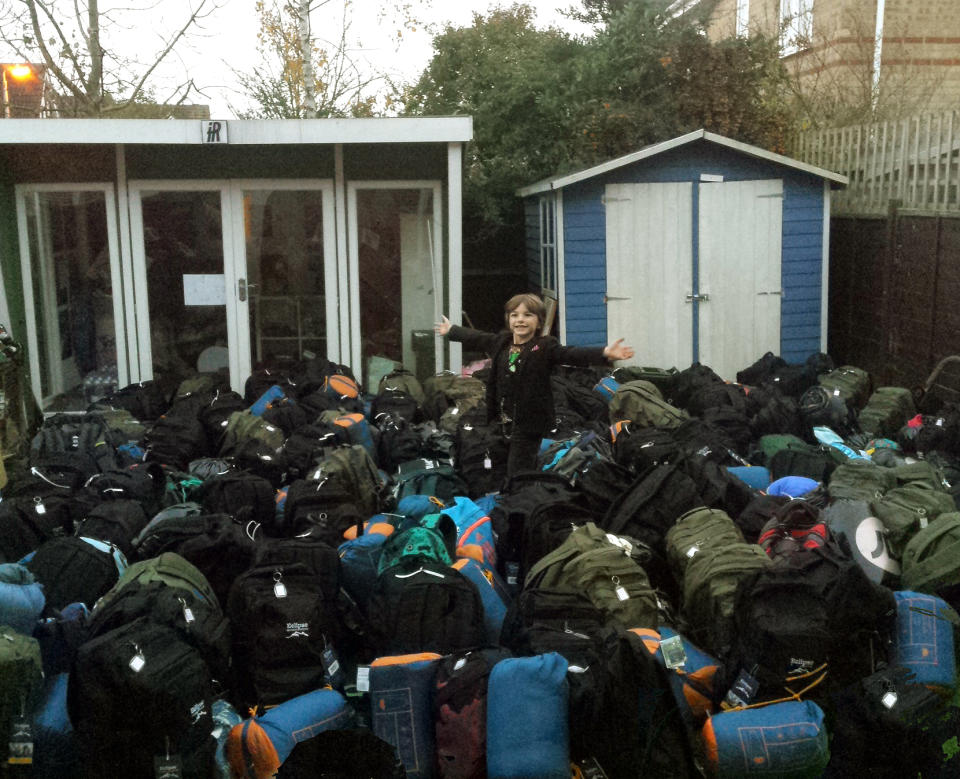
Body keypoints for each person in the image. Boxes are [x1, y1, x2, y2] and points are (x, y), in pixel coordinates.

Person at [434, 293, 635, 477]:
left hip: (529, 423)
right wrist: (451, 330)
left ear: (538, 321)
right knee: (502, 463)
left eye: (528, 315)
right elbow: (477, 338)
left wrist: (605, 352)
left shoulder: (544, 347)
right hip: (502, 420)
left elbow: (571, 354)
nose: (520, 320)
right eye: (514, 315)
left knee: (518, 470)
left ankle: (521, 499)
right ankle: (512, 492)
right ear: (509, 320)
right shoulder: (502, 342)